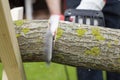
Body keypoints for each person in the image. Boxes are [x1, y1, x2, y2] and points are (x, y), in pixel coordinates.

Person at [66, 0, 120, 80]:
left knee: (116, 54)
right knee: (86, 62)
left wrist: (93, 3)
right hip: (77, 3)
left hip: (113, 3)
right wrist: (55, 13)